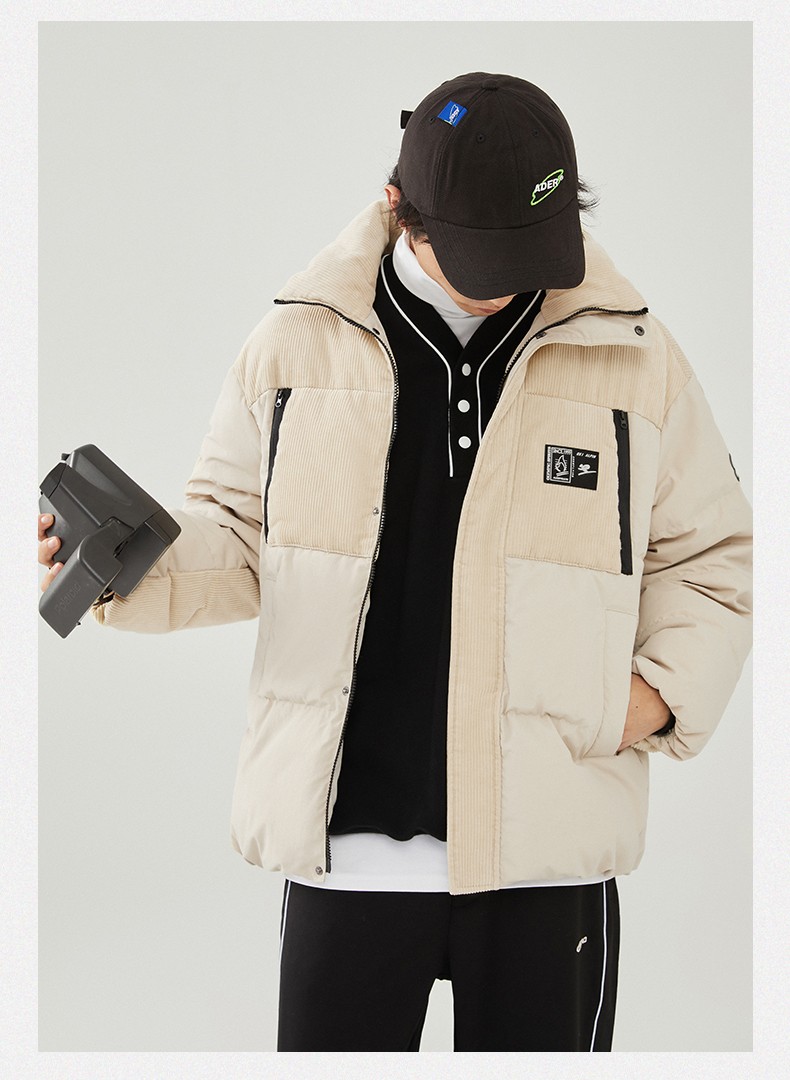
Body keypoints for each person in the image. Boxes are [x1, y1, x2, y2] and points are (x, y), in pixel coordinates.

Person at [38, 72, 752, 1052]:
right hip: (348, 855)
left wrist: (650, 698)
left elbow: (712, 552)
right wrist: (127, 565)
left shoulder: (633, 355)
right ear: (397, 207)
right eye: (482, 252)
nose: (511, 277)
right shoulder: (295, 344)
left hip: (549, 856)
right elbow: (236, 536)